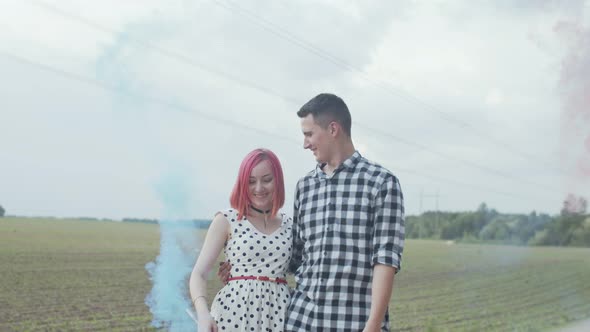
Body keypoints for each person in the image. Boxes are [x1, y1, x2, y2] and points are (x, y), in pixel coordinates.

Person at [220, 93, 405, 331]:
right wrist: (245, 266)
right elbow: (295, 256)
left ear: (333, 129)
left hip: (353, 323)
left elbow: (385, 261)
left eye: (309, 134)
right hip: (301, 321)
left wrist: (373, 326)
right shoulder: (305, 186)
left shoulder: (381, 183)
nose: (305, 143)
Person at [189, 148, 293, 332]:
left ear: (278, 180)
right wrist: (203, 314)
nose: (259, 188)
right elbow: (199, 274)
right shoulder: (226, 219)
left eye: (267, 180)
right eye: (251, 181)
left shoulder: (291, 225)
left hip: (280, 317)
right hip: (233, 316)